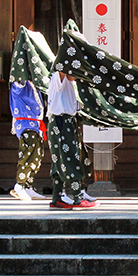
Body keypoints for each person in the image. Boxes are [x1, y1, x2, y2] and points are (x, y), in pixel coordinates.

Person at [45, 70, 98, 209]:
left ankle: (57, 198)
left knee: (59, 161)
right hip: (61, 120)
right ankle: (77, 197)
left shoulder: (69, 82)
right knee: (69, 158)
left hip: (64, 121)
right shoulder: (58, 77)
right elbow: (63, 68)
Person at [9, 80, 46, 201]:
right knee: (28, 155)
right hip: (26, 123)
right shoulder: (19, 85)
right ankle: (19, 184)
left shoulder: (33, 84)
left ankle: (27, 185)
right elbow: (18, 84)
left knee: (37, 156)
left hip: (35, 124)